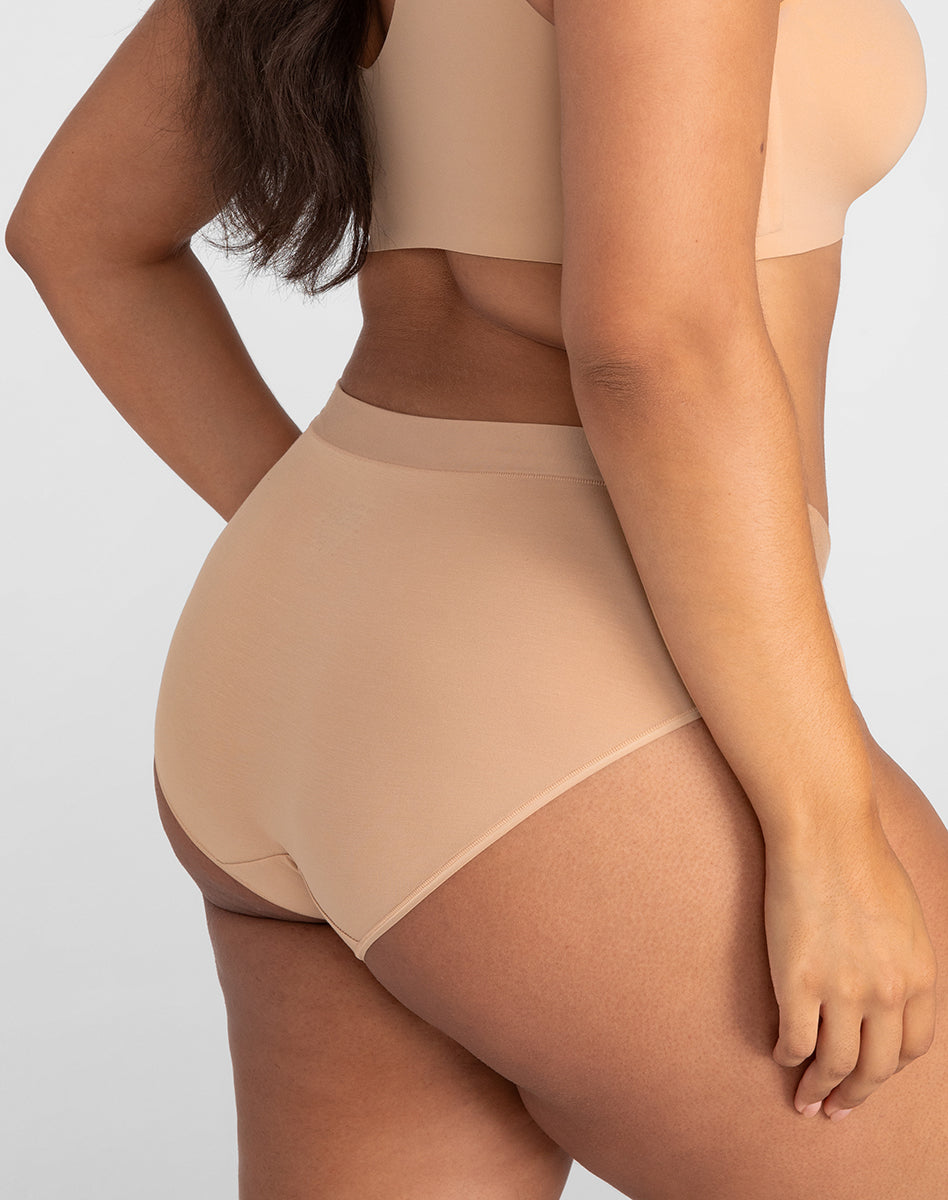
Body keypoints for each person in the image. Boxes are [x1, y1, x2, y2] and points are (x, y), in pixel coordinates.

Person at [6, 0, 946, 1194]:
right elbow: (652, 344)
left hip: (290, 649)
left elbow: (74, 228)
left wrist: (363, 568)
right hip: (553, 700)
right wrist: (827, 828)